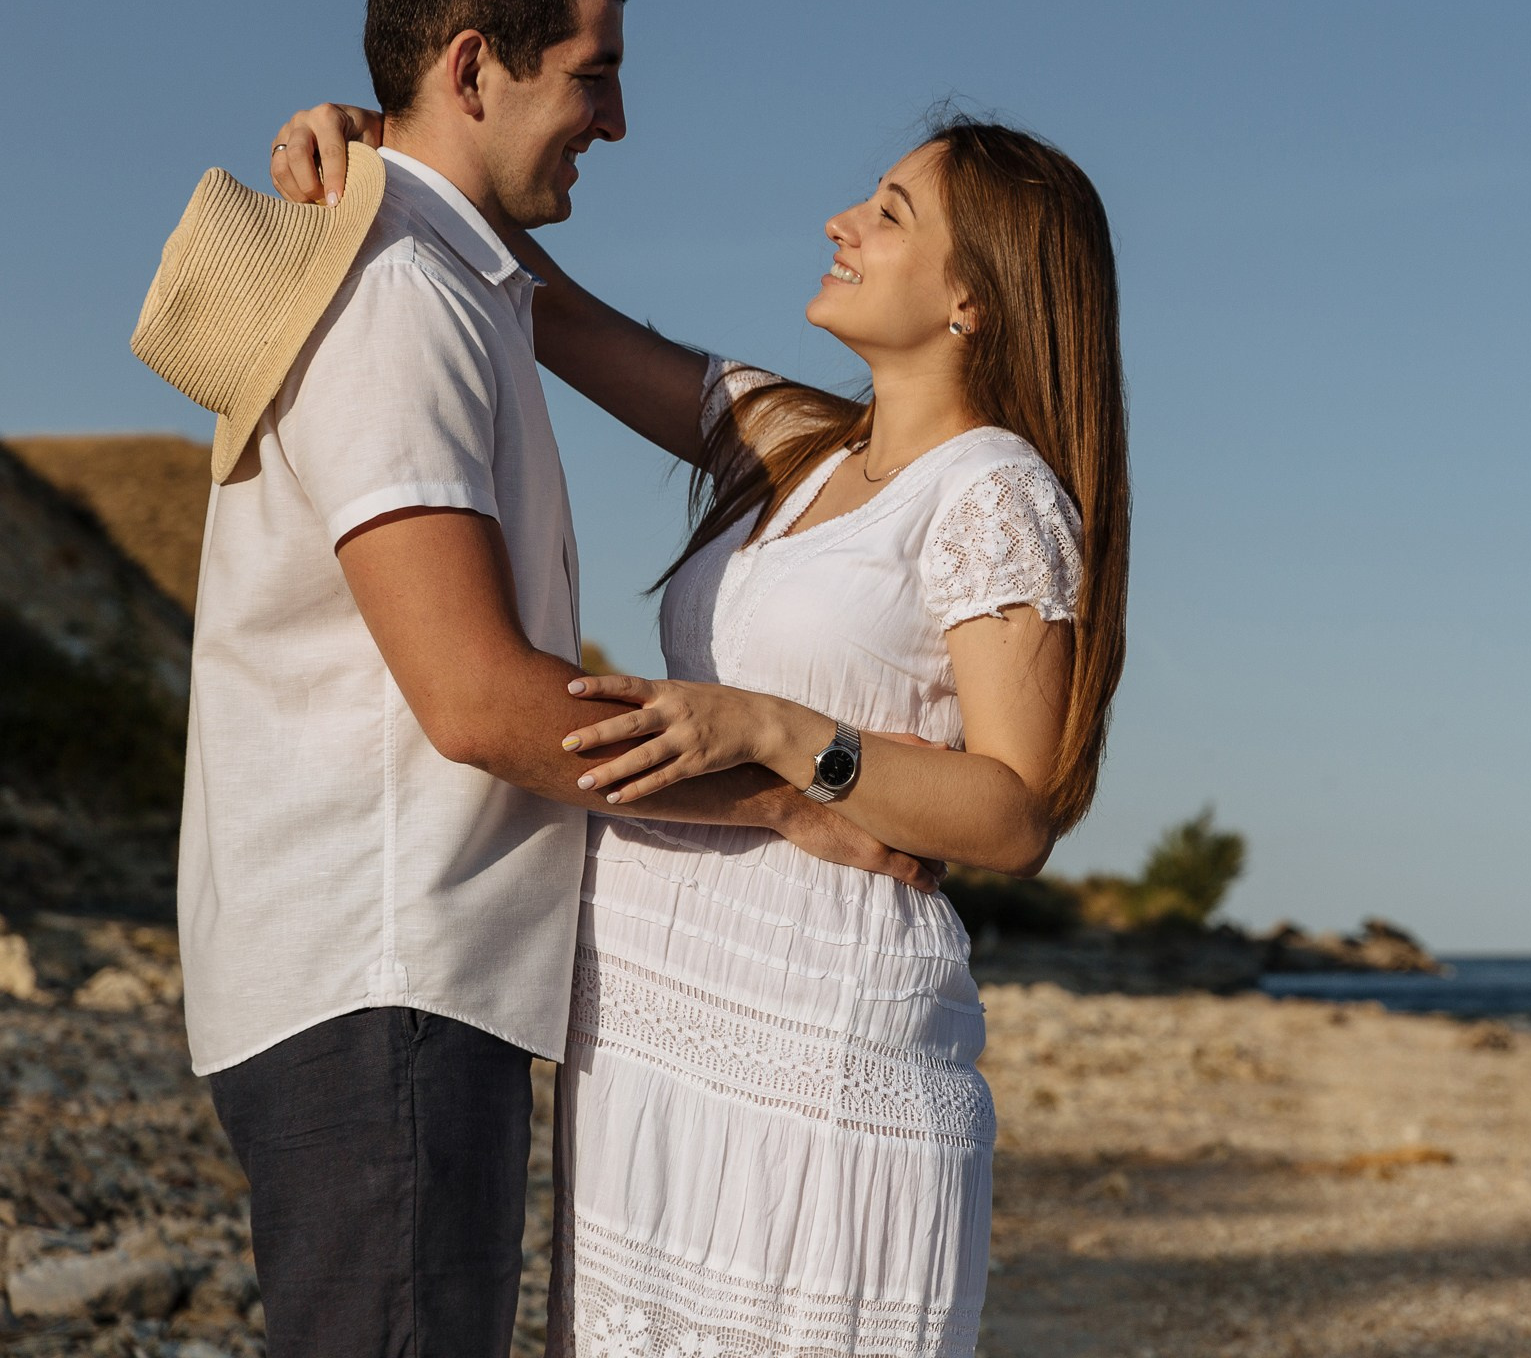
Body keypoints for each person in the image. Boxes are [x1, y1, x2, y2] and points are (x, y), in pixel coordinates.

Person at [154, 0, 933, 1358]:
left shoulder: (456, 282)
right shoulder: (400, 297)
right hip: (383, 966)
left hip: (398, 973)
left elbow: (607, 345)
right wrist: (787, 796)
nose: (618, 121)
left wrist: (380, 149)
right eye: (593, 73)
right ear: (472, 68)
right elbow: (483, 703)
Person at [265, 100, 1130, 1353]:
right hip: (651, 1031)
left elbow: (1013, 811)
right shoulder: (791, 441)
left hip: (818, 1041)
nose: (842, 221)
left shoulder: (994, 491)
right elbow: (544, 305)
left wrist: (787, 737)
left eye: (890, 213)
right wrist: (385, 152)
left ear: (975, 298)